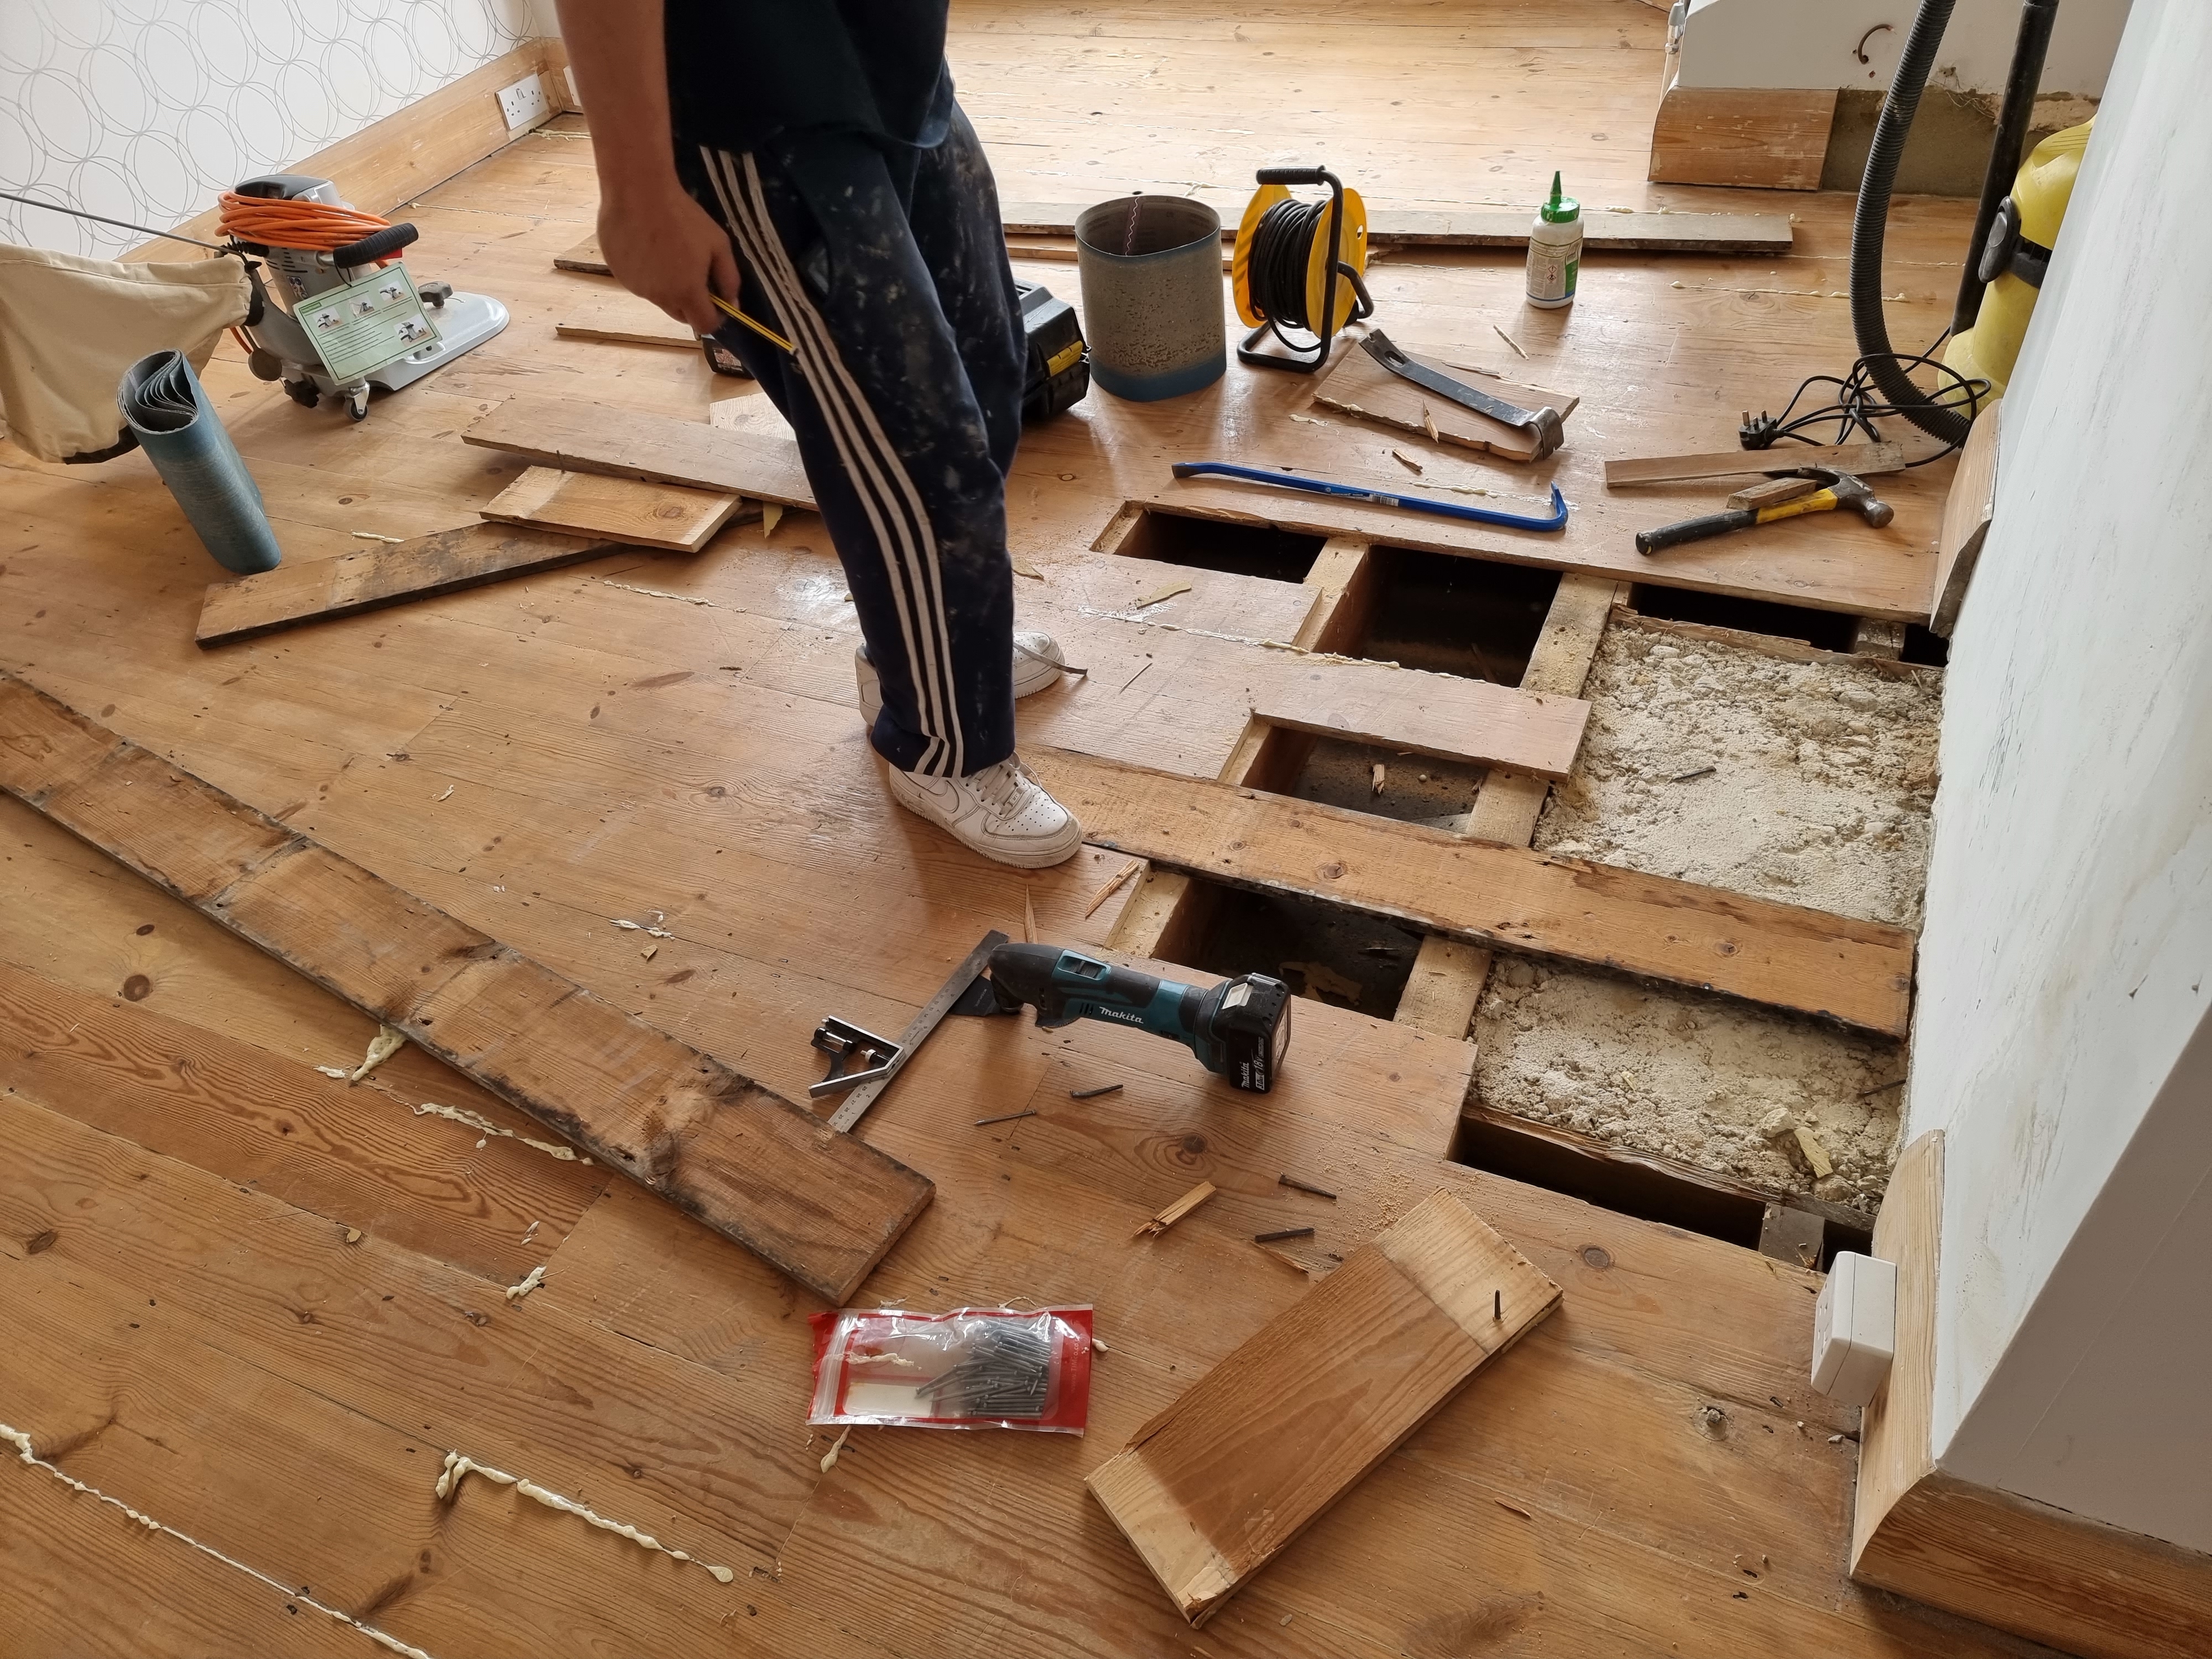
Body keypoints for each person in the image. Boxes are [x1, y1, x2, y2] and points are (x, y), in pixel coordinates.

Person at [555, 0, 1084, 869]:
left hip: (885, 61)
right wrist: (638, 188)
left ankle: (923, 656)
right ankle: (942, 749)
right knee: (913, 446)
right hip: (756, 111)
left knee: (988, 372)